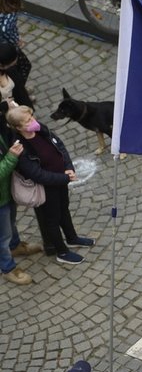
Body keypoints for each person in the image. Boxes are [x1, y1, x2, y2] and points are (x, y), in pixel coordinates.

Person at [8, 105, 89, 264]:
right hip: (47, 188)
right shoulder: (21, 148)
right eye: (27, 121)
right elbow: (37, 174)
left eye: (31, 117)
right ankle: (62, 252)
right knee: (52, 219)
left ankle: (72, 238)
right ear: (18, 127)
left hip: (61, 180)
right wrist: (64, 178)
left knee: (64, 209)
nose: (33, 121)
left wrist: (68, 168)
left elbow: (59, 146)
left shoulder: (40, 129)